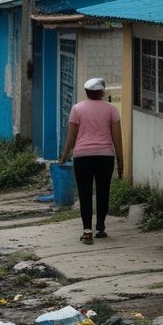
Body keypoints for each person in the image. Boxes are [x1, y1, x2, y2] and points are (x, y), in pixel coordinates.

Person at [59, 77, 124, 245]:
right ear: (101, 92)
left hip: (82, 157)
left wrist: (64, 156)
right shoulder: (111, 110)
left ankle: (87, 230)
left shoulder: (77, 109)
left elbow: (71, 136)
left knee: (85, 193)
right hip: (105, 157)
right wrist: (120, 160)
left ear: (87, 92)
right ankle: (101, 227)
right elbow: (117, 137)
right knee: (103, 191)